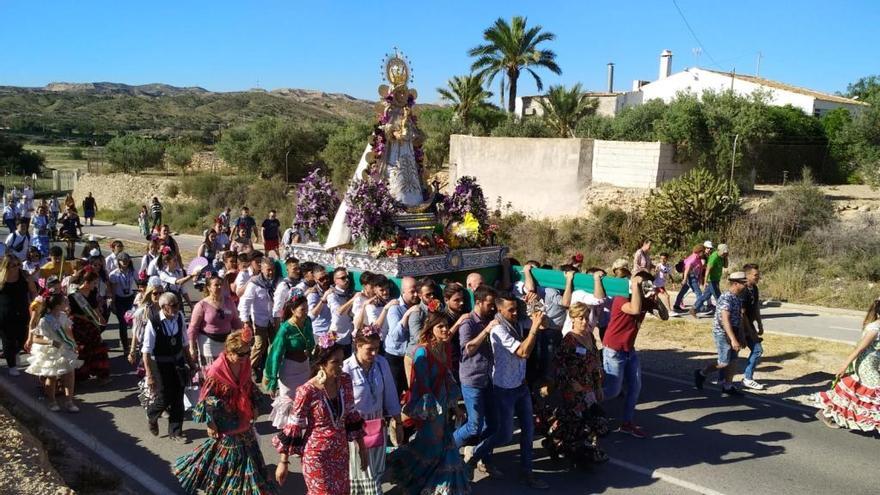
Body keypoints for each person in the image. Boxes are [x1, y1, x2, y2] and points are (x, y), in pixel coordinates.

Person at [174, 330, 277, 494]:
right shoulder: (216, 371)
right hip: (225, 417)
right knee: (232, 453)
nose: (245, 357)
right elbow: (206, 399)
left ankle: (248, 486)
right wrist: (211, 423)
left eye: (247, 352)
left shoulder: (245, 364)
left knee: (248, 451)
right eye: (241, 354)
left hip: (243, 415)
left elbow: (248, 385)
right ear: (229, 352)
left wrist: (254, 406)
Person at [385, 312, 470, 494]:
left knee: (440, 446)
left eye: (447, 326)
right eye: (440, 327)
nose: (446, 329)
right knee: (433, 447)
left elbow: (448, 377)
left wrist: (455, 406)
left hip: (443, 404)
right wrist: (433, 412)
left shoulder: (444, 348)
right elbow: (420, 384)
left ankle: (439, 486)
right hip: (428, 409)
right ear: (431, 330)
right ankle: (420, 482)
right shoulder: (422, 351)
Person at [273, 338, 366, 494]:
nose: (340, 367)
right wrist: (284, 462)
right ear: (322, 363)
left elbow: (351, 416)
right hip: (316, 456)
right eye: (335, 362)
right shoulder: (307, 390)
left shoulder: (345, 381)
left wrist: (362, 449)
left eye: (342, 361)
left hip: (341, 454)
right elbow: (293, 426)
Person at [485, 292, 548, 489]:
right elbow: (522, 352)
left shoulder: (517, 322)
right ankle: (477, 454)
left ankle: (527, 473)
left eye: (516, 308)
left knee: (528, 431)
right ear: (499, 309)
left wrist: (536, 306)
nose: (514, 312)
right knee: (504, 435)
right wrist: (535, 329)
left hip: (520, 386)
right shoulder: (497, 330)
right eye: (510, 310)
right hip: (504, 389)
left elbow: (544, 324)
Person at [542, 302, 609, 466]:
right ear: (573, 318)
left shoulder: (590, 337)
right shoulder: (569, 340)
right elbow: (558, 366)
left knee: (591, 422)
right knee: (580, 423)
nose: (585, 322)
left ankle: (568, 446)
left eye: (587, 318)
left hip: (589, 388)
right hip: (573, 390)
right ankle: (580, 452)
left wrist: (598, 385)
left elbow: (594, 362)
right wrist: (572, 383)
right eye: (581, 318)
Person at [603, 271, 666, 439]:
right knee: (612, 391)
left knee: (635, 387)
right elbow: (635, 309)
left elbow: (664, 316)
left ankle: (627, 423)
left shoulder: (644, 300)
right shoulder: (621, 297)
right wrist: (636, 285)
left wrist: (655, 299)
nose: (646, 288)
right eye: (644, 284)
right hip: (614, 349)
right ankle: (584, 406)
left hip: (629, 350)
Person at [343, 327, 403, 495]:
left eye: (377, 348)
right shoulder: (346, 368)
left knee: (374, 470)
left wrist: (398, 422)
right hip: (355, 430)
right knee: (362, 471)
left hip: (376, 426)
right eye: (370, 349)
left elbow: (390, 394)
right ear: (357, 346)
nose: (375, 353)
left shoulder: (381, 363)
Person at [456, 284, 503, 479]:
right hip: (472, 380)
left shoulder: (490, 318)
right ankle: (447, 449)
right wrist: (486, 331)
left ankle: (481, 457)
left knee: (493, 424)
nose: (493, 308)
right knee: (474, 425)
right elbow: (468, 349)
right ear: (479, 302)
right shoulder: (468, 322)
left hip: (488, 379)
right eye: (490, 304)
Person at [814, 298, 880, 431]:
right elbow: (859, 349)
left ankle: (827, 411)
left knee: (857, 391)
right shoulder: (875, 328)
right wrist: (844, 365)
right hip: (866, 365)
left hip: (872, 364)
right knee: (875, 392)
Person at [143, 292, 193, 443]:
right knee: (165, 395)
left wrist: (192, 363)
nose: (178, 308)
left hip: (177, 362)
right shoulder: (154, 322)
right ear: (164, 307)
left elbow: (184, 343)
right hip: (160, 364)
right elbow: (146, 351)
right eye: (174, 305)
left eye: (178, 304)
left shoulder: (179, 319)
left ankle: (176, 431)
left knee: (178, 395)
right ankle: (152, 414)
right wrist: (150, 375)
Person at [265, 291, 316, 427]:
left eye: (307, 308)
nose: (306, 312)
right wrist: (272, 378)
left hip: (304, 367)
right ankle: (289, 435)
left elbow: (311, 341)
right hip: (290, 370)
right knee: (290, 404)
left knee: (304, 400)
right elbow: (276, 354)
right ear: (293, 310)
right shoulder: (285, 329)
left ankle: (302, 433)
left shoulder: (307, 321)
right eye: (302, 309)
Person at [25, 294, 83, 412]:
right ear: (57, 305)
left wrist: (74, 344)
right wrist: (51, 342)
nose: (67, 303)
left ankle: (69, 401)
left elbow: (68, 332)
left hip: (65, 348)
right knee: (52, 377)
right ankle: (52, 401)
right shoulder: (44, 320)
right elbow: (36, 338)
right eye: (64, 302)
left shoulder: (63, 316)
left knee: (70, 374)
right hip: (50, 350)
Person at [694, 271, 748, 396]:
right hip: (723, 333)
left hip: (733, 332)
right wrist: (733, 339)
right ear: (735, 283)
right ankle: (701, 373)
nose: (745, 285)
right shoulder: (726, 297)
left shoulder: (738, 298)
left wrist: (741, 335)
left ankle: (728, 386)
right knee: (724, 362)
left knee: (733, 360)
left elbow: (738, 318)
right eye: (743, 283)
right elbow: (725, 320)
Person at [188, 275, 243, 368]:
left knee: (227, 368)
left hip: (226, 342)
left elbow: (236, 321)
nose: (219, 287)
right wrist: (192, 347)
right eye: (216, 285)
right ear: (209, 288)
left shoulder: (229, 302)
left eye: (221, 284)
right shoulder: (201, 305)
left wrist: (244, 334)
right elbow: (193, 328)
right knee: (212, 370)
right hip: (208, 343)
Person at [68, 269, 111, 384]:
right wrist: (85, 318)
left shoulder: (92, 291)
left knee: (98, 348)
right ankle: (80, 375)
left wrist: (100, 317)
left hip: (90, 324)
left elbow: (94, 306)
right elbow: (70, 313)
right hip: (78, 325)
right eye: (94, 283)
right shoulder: (73, 295)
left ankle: (102, 375)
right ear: (86, 282)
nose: (95, 285)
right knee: (82, 350)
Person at [239, 257, 278, 380]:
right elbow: (245, 302)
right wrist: (245, 321)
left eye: (272, 270)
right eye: (268, 270)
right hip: (259, 320)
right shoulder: (254, 283)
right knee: (259, 345)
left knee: (274, 346)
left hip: (273, 320)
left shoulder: (277, 282)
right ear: (262, 269)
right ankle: (247, 369)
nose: (270, 273)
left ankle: (270, 372)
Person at [1, 254, 36, 376]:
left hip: (22, 311)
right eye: (13, 265)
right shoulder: (1, 278)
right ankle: (11, 365)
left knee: (23, 337)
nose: (17, 267)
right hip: (4, 313)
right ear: (6, 266)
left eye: (18, 264)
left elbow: (33, 292)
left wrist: (35, 304)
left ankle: (15, 352)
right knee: (7, 340)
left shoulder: (25, 276)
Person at [384, 276, 418, 396]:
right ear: (403, 292)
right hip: (396, 355)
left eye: (417, 291)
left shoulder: (417, 305)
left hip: (409, 355)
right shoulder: (395, 308)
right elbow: (395, 335)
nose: (416, 295)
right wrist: (407, 315)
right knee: (395, 391)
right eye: (412, 292)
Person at [740, 264, 766, 390]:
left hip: (749, 324)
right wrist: (750, 331)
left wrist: (760, 324)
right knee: (731, 355)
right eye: (756, 275)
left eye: (758, 275)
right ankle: (709, 375)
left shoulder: (754, 288)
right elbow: (742, 313)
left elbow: (755, 307)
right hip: (740, 325)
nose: (758, 277)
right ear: (748, 275)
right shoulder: (743, 290)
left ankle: (747, 378)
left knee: (757, 350)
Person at [109, 252, 137, 354]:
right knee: (123, 323)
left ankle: (134, 342)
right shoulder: (114, 274)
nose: (125, 262)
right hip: (119, 300)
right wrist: (112, 303)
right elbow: (112, 290)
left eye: (126, 260)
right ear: (119, 262)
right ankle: (126, 347)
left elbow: (139, 283)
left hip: (130, 299)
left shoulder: (132, 271)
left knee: (133, 322)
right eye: (122, 260)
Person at [691, 243, 729, 317]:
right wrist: (705, 282)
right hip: (712, 281)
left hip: (716, 280)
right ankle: (723, 315)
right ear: (719, 250)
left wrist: (726, 257)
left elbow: (726, 266)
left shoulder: (722, 257)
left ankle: (694, 309)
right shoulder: (714, 257)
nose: (724, 254)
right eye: (723, 253)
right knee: (718, 297)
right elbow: (708, 269)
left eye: (725, 253)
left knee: (705, 296)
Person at [326, 267, 356, 355]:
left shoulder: (349, 293)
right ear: (335, 280)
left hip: (348, 337)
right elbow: (339, 311)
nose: (346, 280)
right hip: (336, 338)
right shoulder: (332, 295)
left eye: (347, 277)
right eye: (343, 278)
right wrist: (353, 299)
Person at [672, 244, 706, 314]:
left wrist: (700, 278)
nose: (704, 253)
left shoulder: (698, 258)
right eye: (703, 251)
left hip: (693, 277)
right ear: (700, 251)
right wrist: (684, 279)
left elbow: (700, 268)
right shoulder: (693, 258)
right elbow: (687, 268)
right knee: (698, 292)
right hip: (690, 277)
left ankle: (676, 305)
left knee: (683, 292)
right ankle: (700, 307)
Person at [306, 265, 333, 337]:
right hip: (319, 333)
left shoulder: (332, 288)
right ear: (315, 279)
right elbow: (312, 315)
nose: (325, 280)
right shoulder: (313, 293)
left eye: (326, 277)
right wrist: (323, 299)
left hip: (332, 332)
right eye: (321, 279)